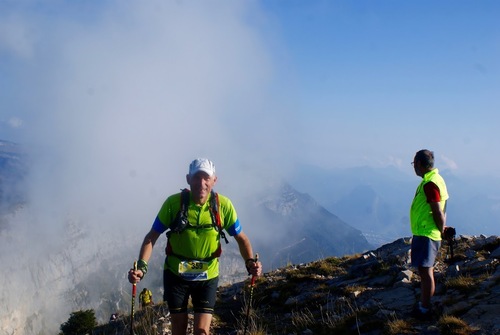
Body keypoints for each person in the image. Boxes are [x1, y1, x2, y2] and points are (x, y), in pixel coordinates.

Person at [128, 158, 262, 335]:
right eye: (197, 177)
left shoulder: (224, 206)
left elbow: (241, 238)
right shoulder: (173, 204)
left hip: (207, 277)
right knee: (178, 329)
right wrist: (142, 267)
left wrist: (250, 262)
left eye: (206, 178)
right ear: (188, 179)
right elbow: (151, 237)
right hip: (176, 275)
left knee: (202, 331)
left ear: (214, 180)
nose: (201, 183)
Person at [410, 149, 449, 320]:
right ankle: (425, 303)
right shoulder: (435, 179)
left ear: (419, 164)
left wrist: (441, 229)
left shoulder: (430, 183)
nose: (414, 168)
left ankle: (425, 308)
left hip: (426, 234)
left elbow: (437, 211)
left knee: (426, 272)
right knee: (426, 271)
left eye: (414, 164)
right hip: (427, 233)